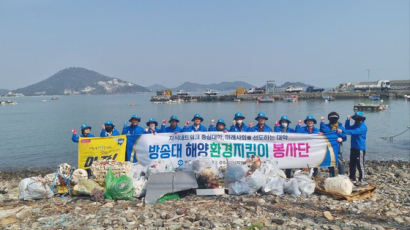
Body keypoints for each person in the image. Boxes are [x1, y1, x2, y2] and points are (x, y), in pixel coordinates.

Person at [320, 112, 347, 177]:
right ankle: (331, 175)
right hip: (329, 146)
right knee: (330, 160)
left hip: (338, 146)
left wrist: (341, 138)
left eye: (335, 118)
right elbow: (323, 131)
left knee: (339, 160)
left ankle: (342, 176)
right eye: (331, 118)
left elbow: (345, 137)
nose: (333, 119)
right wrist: (322, 122)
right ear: (329, 119)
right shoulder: (326, 126)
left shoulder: (341, 127)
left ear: (337, 118)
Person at [344, 111, 368, 185]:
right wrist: (348, 120)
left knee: (360, 165)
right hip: (353, 147)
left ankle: (362, 179)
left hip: (360, 149)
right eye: (355, 119)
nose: (356, 121)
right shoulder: (355, 125)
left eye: (358, 119)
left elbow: (352, 132)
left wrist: (342, 131)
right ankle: (352, 178)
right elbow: (347, 128)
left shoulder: (363, 127)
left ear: (361, 119)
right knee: (352, 164)